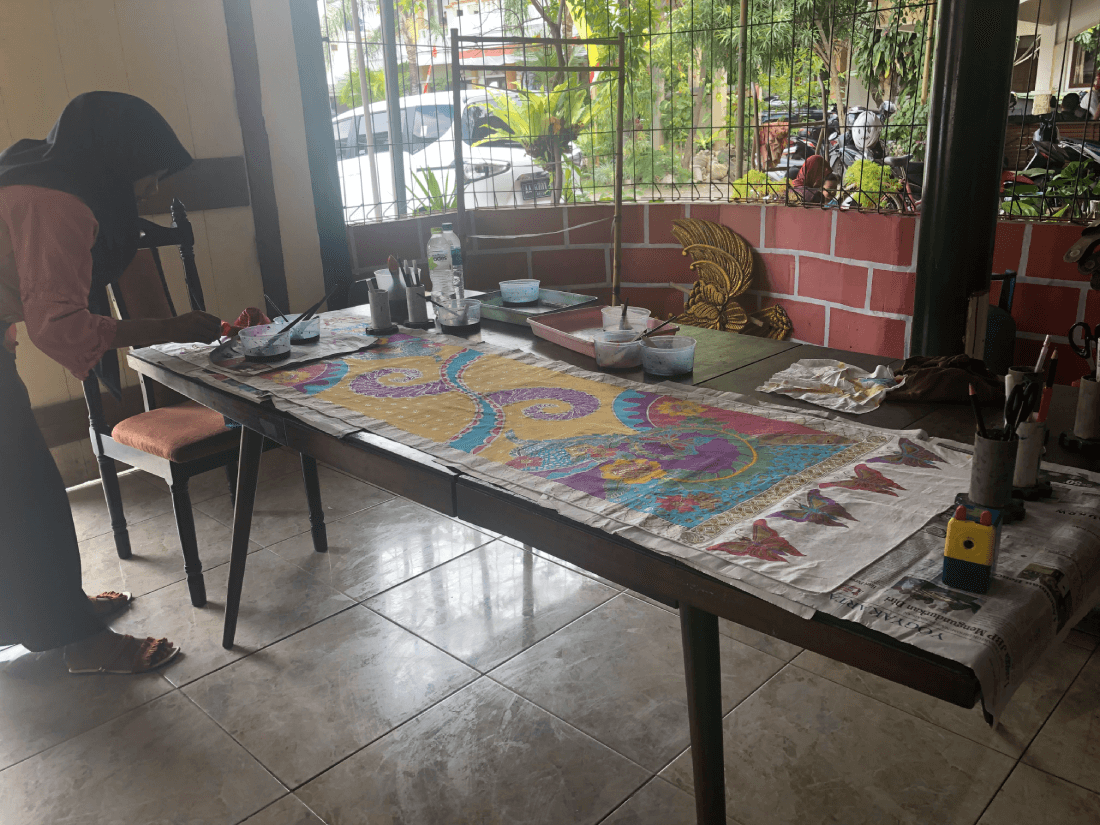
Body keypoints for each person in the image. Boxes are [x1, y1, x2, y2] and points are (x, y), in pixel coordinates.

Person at [0, 92, 223, 673]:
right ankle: (75, 641)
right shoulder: (59, 203)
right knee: (28, 498)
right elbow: (61, 325)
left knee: (15, 493)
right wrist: (169, 327)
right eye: (150, 172)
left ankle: (46, 613)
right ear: (119, 159)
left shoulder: (41, 172)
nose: (151, 189)